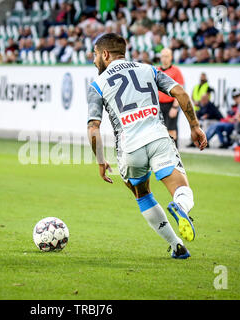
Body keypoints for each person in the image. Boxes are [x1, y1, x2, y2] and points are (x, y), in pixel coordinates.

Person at [87, 33, 207, 260]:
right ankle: (180, 207)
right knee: (182, 189)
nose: (94, 61)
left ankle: (176, 245)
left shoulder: (97, 84)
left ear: (105, 54)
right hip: (158, 139)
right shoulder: (148, 69)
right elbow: (179, 92)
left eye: (95, 55)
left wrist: (101, 159)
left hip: (129, 148)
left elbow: (93, 127)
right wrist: (194, 126)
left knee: (142, 194)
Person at [157, 48, 185, 147]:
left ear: (171, 58)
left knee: (171, 129)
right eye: (163, 56)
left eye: (167, 56)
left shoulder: (176, 71)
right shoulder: (157, 70)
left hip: (171, 104)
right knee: (160, 129)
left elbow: (180, 91)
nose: (164, 59)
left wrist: (175, 107)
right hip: (159, 104)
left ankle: (174, 151)